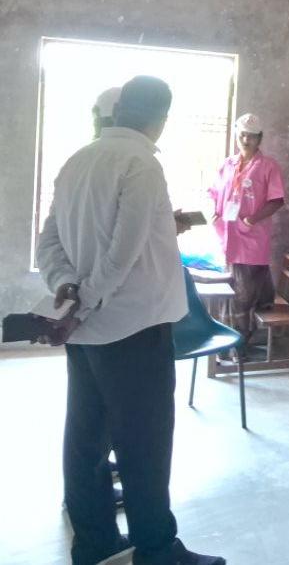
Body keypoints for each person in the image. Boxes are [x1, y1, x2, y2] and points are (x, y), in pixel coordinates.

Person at [36, 76, 225, 565]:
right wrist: (85, 302)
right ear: (161, 118)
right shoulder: (141, 163)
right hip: (134, 330)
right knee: (145, 445)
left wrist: (68, 290)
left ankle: (95, 543)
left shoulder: (78, 160)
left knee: (86, 438)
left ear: (117, 111)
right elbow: (123, 254)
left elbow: (48, 241)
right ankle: (158, 551)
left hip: (86, 332)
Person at [207, 113, 286, 349]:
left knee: (244, 296)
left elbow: (277, 200)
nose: (245, 140)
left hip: (251, 241)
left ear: (259, 138)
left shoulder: (268, 166)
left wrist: (252, 219)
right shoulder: (227, 164)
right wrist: (212, 211)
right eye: (242, 135)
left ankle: (239, 345)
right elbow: (212, 192)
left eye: (251, 136)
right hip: (226, 238)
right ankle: (226, 342)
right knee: (228, 293)